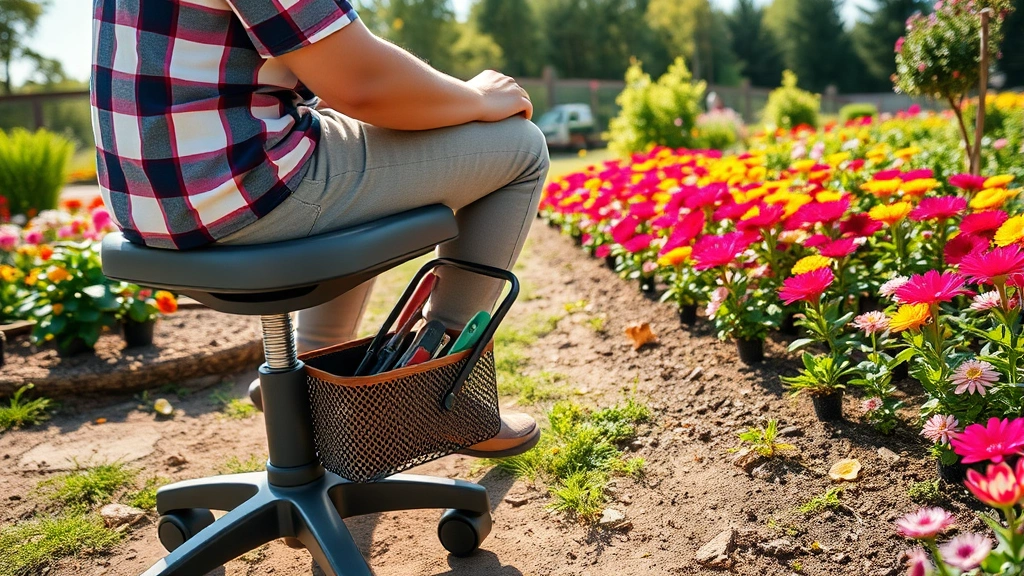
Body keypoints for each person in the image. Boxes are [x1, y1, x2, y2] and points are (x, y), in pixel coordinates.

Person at [90, 0, 549, 457]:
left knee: (345, 143)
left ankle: (310, 379)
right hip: (241, 187)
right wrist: (481, 99)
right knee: (519, 146)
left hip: (148, 204)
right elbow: (363, 85)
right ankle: (439, 393)